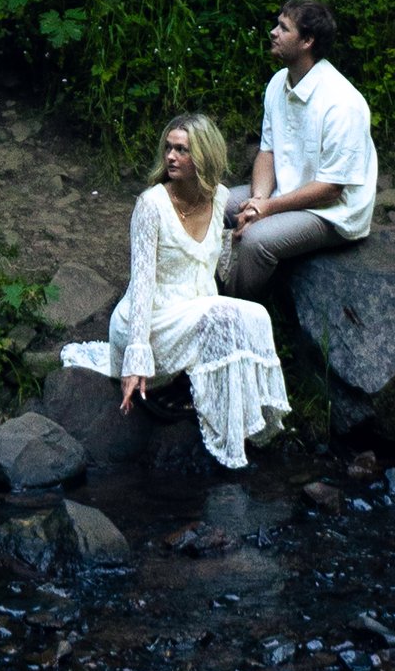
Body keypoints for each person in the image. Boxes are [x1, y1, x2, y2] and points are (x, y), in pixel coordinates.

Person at [60, 114, 291, 471]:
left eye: (182, 149)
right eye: (168, 148)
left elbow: (212, 267)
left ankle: (243, 419)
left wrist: (235, 238)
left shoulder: (221, 198)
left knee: (254, 315)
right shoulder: (150, 206)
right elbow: (141, 284)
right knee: (224, 314)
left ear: (204, 156)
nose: (171, 156)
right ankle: (187, 405)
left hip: (192, 308)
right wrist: (135, 359)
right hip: (148, 320)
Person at [219, 0, 376, 302]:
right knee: (212, 203)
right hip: (282, 193)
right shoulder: (279, 82)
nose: (272, 32)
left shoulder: (343, 102)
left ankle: (229, 313)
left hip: (333, 213)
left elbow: (330, 189)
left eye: (283, 28)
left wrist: (266, 210)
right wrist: (258, 200)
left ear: (307, 41)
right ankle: (195, 287)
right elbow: (268, 152)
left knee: (255, 240)